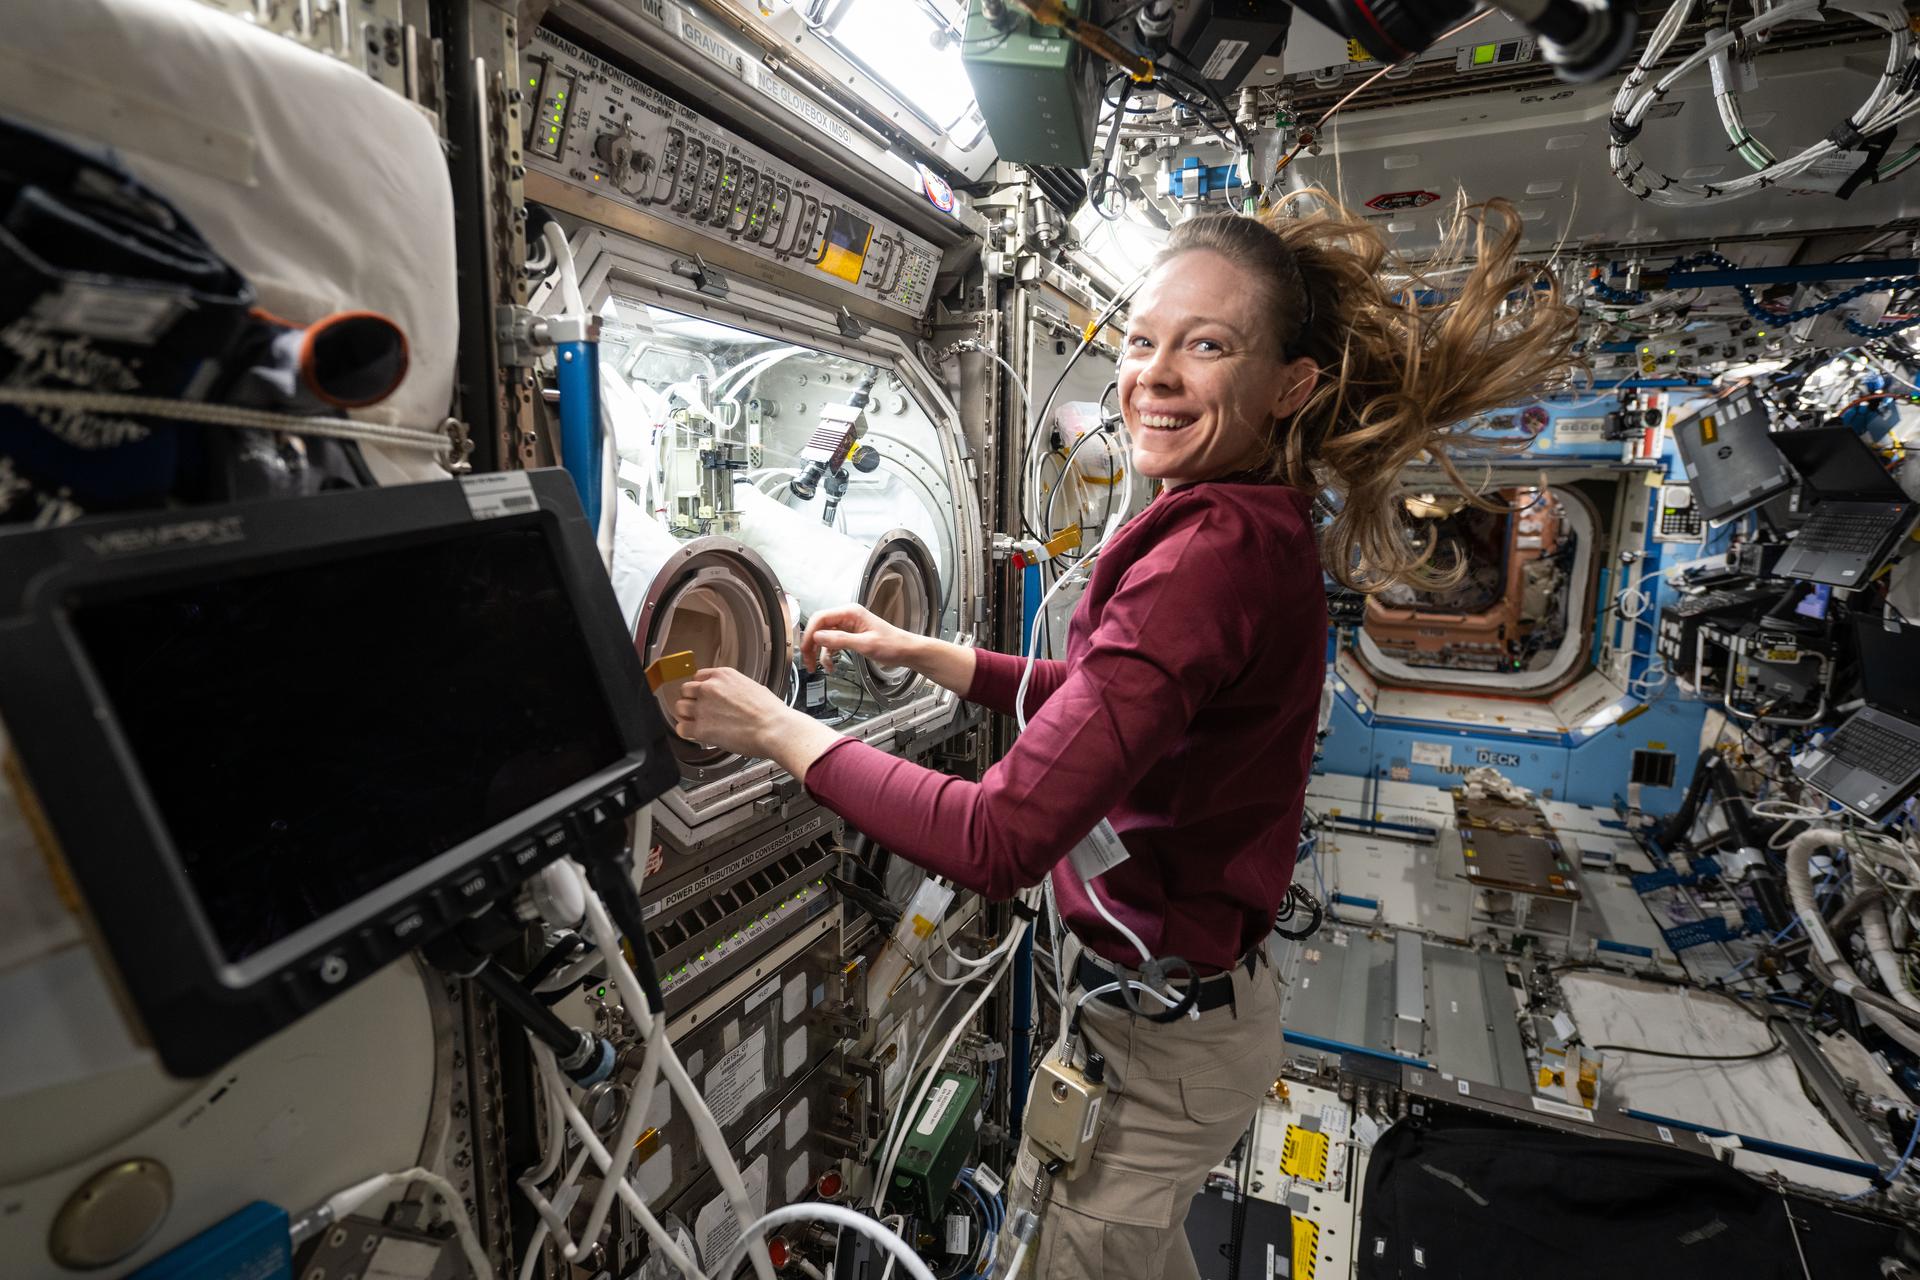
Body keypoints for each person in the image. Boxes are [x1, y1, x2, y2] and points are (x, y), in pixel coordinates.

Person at [671, 191, 1576, 1279]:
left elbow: (999, 839)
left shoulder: (1207, 556)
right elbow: (1115, 702)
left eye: (1208, 346)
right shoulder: (1248, 520)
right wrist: (935, 658)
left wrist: (775, 728)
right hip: (1175, 1021)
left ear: (1290, 385)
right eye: (1141, 340)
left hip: (1161, 1046)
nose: (1152, 373)